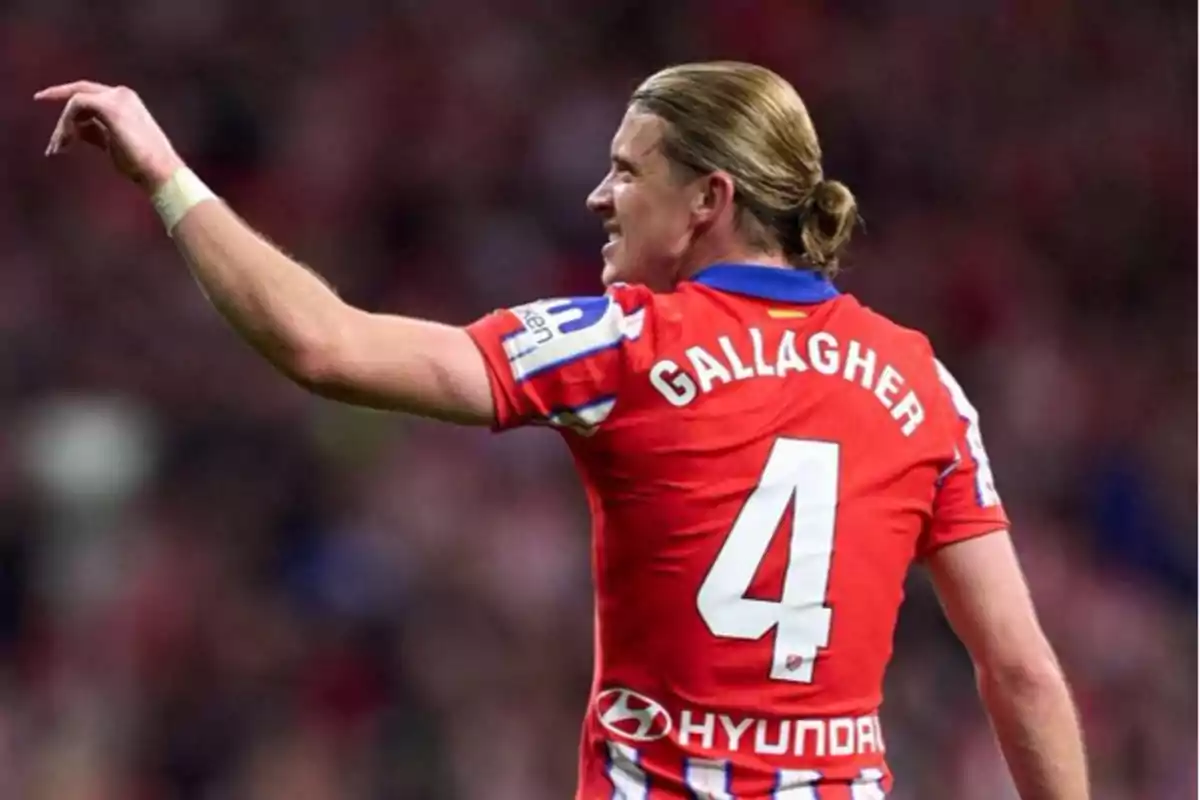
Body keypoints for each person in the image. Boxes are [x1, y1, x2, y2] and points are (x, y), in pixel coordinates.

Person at [35, 62, 1089, 799]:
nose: (598, 195)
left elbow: (325, 346)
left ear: (709, 198)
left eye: (629, 170)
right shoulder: (924, 380)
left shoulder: (624, 341)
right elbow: (1022, 669)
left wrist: (166, 178)